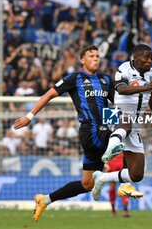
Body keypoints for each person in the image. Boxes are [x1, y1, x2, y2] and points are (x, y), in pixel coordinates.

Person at [13, 45, 142, 222]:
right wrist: (30, 116)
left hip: (103, 129)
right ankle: (120, 182)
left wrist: (137, 97)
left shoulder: (105, 79)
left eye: (97, 55)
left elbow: (119, 105)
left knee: (87, 184)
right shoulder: (75, 78)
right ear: (82, 60)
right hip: (91, 131)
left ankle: (45, 199)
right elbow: (49, 94)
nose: (96, 58)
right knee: (126, 133)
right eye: (91, 56)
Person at [91, 44, 152, 201]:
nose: (149, 61)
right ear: (135, 58)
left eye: (151, 58)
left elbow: (151, 93)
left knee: (136, 174)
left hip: (136, 121)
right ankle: (111, 149)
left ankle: (102, 178)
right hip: (115, 113)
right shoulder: (124, 68)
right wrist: (145, 87)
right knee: (126, 121)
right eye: (146, 57)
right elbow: (121, 89)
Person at [104, 153, 130, 217]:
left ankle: (121, 210)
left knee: (122, 187)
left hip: (119, 161)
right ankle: (120, 210)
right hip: (115, 161)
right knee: (119, 187)